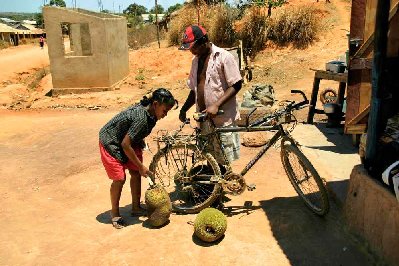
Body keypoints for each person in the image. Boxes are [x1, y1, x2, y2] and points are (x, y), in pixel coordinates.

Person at [99, 88, 177, 229]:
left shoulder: (152, 116)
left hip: (128, 141)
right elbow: (125, 144)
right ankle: (115, 214)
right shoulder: (141, 117)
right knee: (119, 178)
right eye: (164, 111)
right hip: (110, 141)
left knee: (135, 173)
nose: (165, 115)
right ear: (155, 104)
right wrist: (141, 165)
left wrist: (138, 163)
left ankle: (135, 207)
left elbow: (133, 135)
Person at [178, 25, 243, 169]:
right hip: (204, 119)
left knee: (222, 158)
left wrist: (217, 104)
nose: (192, 51)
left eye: (194, 47)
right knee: (210, 157)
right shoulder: (196, 61)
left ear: (205, 41)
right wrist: (183, 109)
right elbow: (194, 89)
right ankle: (215, 187)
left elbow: (237, 84)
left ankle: (220, 186)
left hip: (221, 118)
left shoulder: (224, 57)